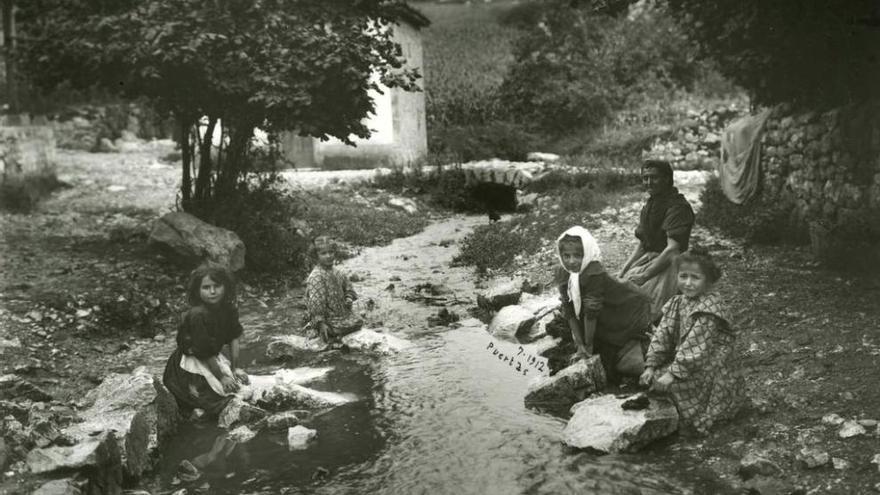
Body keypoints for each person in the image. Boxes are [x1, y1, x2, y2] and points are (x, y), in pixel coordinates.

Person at [639, 248, 745, 435]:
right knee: (651, 378)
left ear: (708, 280)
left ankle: (687, 419)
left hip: (711, 365)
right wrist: (650, 364)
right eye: (683, 276)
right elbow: (662, 334)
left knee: (669, 387)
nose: (688, 283)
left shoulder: (709, 308)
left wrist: (672, 374)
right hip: (688, 360)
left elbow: (696, 346)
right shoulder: (678, 302)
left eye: (695, 278)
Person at [556, 226, 654, 378]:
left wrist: (588, 347)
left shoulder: (594, 271)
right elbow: (568, 309)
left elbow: (591, 312)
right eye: (566, 256)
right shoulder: (562, 272)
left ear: (586, 254)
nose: (571, 261)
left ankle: (640, 345)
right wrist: (579, 344)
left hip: (624, 307)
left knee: (614, 347)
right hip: (602, 309)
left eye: (577, 255)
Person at [163, 263, 250, 417]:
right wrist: (221, 377)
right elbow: (203, 351)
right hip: (190, 363)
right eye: (206, 287)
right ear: (198, 291)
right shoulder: (197, 315)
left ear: (225, 286)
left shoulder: (229, 309)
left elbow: (233, 338)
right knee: (220, 397)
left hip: (211, 355)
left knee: (240, 385)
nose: (212, 291)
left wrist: (235, 367)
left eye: (217, 286)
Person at [619, 160, 695, 320]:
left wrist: (645, 276)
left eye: (654, 177)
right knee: (620, 288)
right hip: (651, 259)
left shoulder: (678, 207)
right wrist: (624, 270)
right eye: (645, 178)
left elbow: (673, 249)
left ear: (667, 179)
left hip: (670, 264)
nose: (648, 182)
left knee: (648, 310)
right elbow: (643, 245)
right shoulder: (650, 206)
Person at [305, 236, 362, 346]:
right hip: (327, 319)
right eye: (323, 253)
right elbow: (316, 302)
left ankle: (339, 334)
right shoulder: (316, 276)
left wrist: (348, 298)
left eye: (331, 252)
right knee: (332, 331)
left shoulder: (339, 273)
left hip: (342, 315)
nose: (328, 256)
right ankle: (324, 330)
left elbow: (349, 289)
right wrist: (320, 322)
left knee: (358, 322)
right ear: (316, 256)